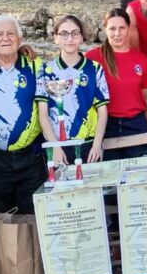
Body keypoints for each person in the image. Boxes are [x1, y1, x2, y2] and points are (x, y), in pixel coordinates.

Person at [0, 15, 51, 226]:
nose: (5, 38)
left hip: (31, 158)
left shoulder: (35, 66)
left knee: (35, 219)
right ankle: (2, 250)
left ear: (20, 39)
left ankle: (33, 250)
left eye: (11, 34)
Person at [39, 15, 109, 166]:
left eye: (75, 33)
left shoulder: (94, 68)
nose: (69, 38)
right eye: (64, 34)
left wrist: (97, 144)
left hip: (88, 145)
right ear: (55, 38)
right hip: (58, 147)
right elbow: (43, 114)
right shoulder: (45, 70)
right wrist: (55, 146)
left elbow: (102, 111)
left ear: (82, 37)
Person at [87, 8, 147, 160]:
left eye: (121, 28)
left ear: (129, 29)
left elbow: (146, 97)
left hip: (136, 124)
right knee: (110, 171)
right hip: (105, 125)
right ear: (105, 30)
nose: (117, 33)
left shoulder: (141, 60)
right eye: (112, 29)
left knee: (140, 170)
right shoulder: (92, 58)